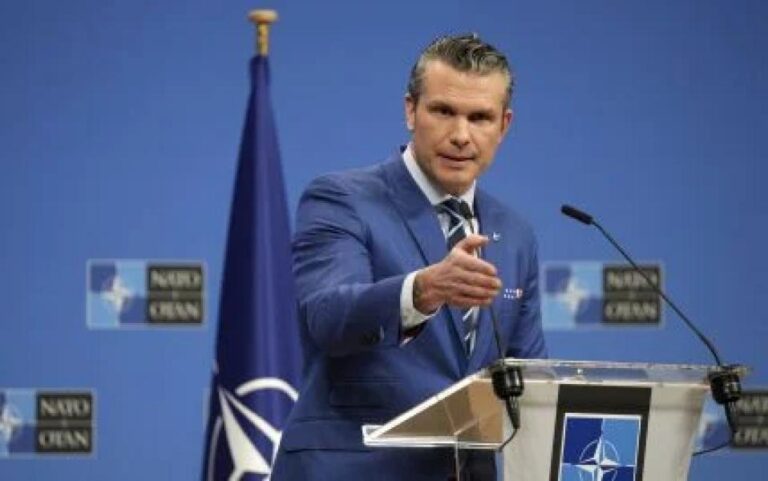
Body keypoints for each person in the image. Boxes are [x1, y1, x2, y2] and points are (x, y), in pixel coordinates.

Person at [271, 33, 547, 481]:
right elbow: (327, 316)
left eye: (480, 117)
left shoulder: (515, 234)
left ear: (504, 125)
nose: (460, 135)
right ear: (410, 110)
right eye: (443, 111)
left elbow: (528, 379)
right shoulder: (341, 199)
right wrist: (421, 290)